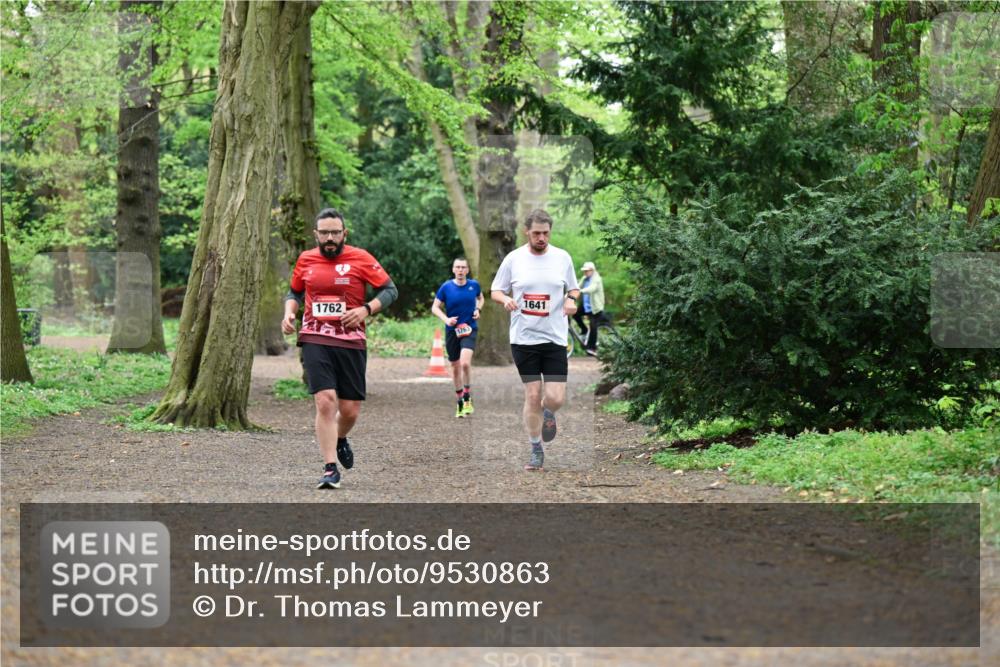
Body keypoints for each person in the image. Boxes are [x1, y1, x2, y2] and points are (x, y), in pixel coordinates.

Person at [281, 208, 398, 489]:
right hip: (315, 337)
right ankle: (330, 468)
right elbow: (295, 291)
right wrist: (289, 313)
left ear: (344, 233)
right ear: (316, 235)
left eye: (335, 232)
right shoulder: (306, 259)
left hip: (351, 340)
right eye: (325, 233)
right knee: (325, 400)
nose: (330, 238)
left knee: (349, 410)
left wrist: (365, 309)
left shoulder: (361, 258)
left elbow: (390, 290)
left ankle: (340, 437)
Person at [491, 209, 580, 471]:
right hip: (524, 339)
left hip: (554, 338)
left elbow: (574, 288)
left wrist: (570, 299)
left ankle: (548, 412)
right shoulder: (514, 259)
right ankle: (536, 449)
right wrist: (505, 299)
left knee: (556, 398)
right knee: (532, 395)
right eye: (537, 233)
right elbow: (495, 290)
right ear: (527, 232)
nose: (542, 238)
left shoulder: (562, 258)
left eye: (546, 233)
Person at [431, 258, 485, 418]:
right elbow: (435, 307)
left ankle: (467, 396)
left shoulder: (474, 285)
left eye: (463, 267)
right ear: (453, 269)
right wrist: (446, 319)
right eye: (457, 267)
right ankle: (460, 399)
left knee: (465, 363)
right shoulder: (446, 287)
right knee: (455, 366)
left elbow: (481, 298)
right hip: (452, 331)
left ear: (467, 270)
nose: (460, 270)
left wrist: (478, 309)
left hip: (469, 328)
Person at [577, 261, 606, 356]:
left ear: (592, 270)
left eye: (587, 271)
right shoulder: (584, 278)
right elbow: (577, 286)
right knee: (575, 314)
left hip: (595, 308)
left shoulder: (597, 279)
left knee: (593, 326)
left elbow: (592, 288)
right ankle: (584, 330)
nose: (585, 272)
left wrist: (581, 291)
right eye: (584, 271)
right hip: (586, 306)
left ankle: (592, 348)